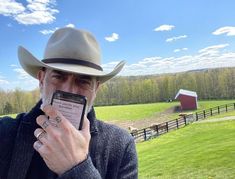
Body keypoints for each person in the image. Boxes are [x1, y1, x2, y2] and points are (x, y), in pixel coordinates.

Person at [0, 27, 138, 179]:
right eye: (58, 77)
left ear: (96, 88)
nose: (69, 91)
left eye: (83, 81)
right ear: (41, 80)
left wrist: (77, 167)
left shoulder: (120, 146)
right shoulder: (4, 133)